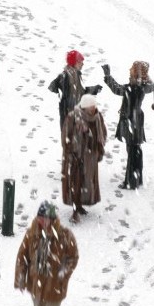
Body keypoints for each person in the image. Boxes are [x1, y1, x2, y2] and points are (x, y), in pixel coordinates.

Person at [14, 201, 79, 306]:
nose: (43, 222)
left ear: (52, 219)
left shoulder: (64, 235)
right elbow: (22, 256)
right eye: (40, 218)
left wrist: (63, 273)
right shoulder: (31, 234)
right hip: (36, 283)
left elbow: (73, 256)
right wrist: (21, 277)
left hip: (54, 285)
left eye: (45, 218)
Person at [102, 61, 154, 190]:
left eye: (132, 70)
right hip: (137, 120)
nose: (129, 71)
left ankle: (131, 182)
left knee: (132, 151)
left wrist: (108, 76)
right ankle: (137, 179)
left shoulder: (131, 88)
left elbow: (116, 89)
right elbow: (153, 86)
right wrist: (145, 78)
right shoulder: (143, 86)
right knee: (136, 150)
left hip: (130, 121)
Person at [61, 94, 107, 223]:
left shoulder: (97, 118)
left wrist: (98, 148)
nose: (93, 109)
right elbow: (66, 136)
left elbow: (103, 132)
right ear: (85, 107)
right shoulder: (73, 117)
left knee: (86, 182)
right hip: (76, 156)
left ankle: (80, 205)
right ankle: (75, 211)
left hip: (90, 157)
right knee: (76, 183)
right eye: (91, 107)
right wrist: (70, 151)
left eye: (94, 106)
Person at [48, 50, 103, 129]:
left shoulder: (75, 75)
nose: (82, 64)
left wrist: (93, 89)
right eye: (80, 61)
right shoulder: (66, 76)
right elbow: (53, 87)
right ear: (74, 62)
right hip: (70, 119)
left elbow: (80, 93)